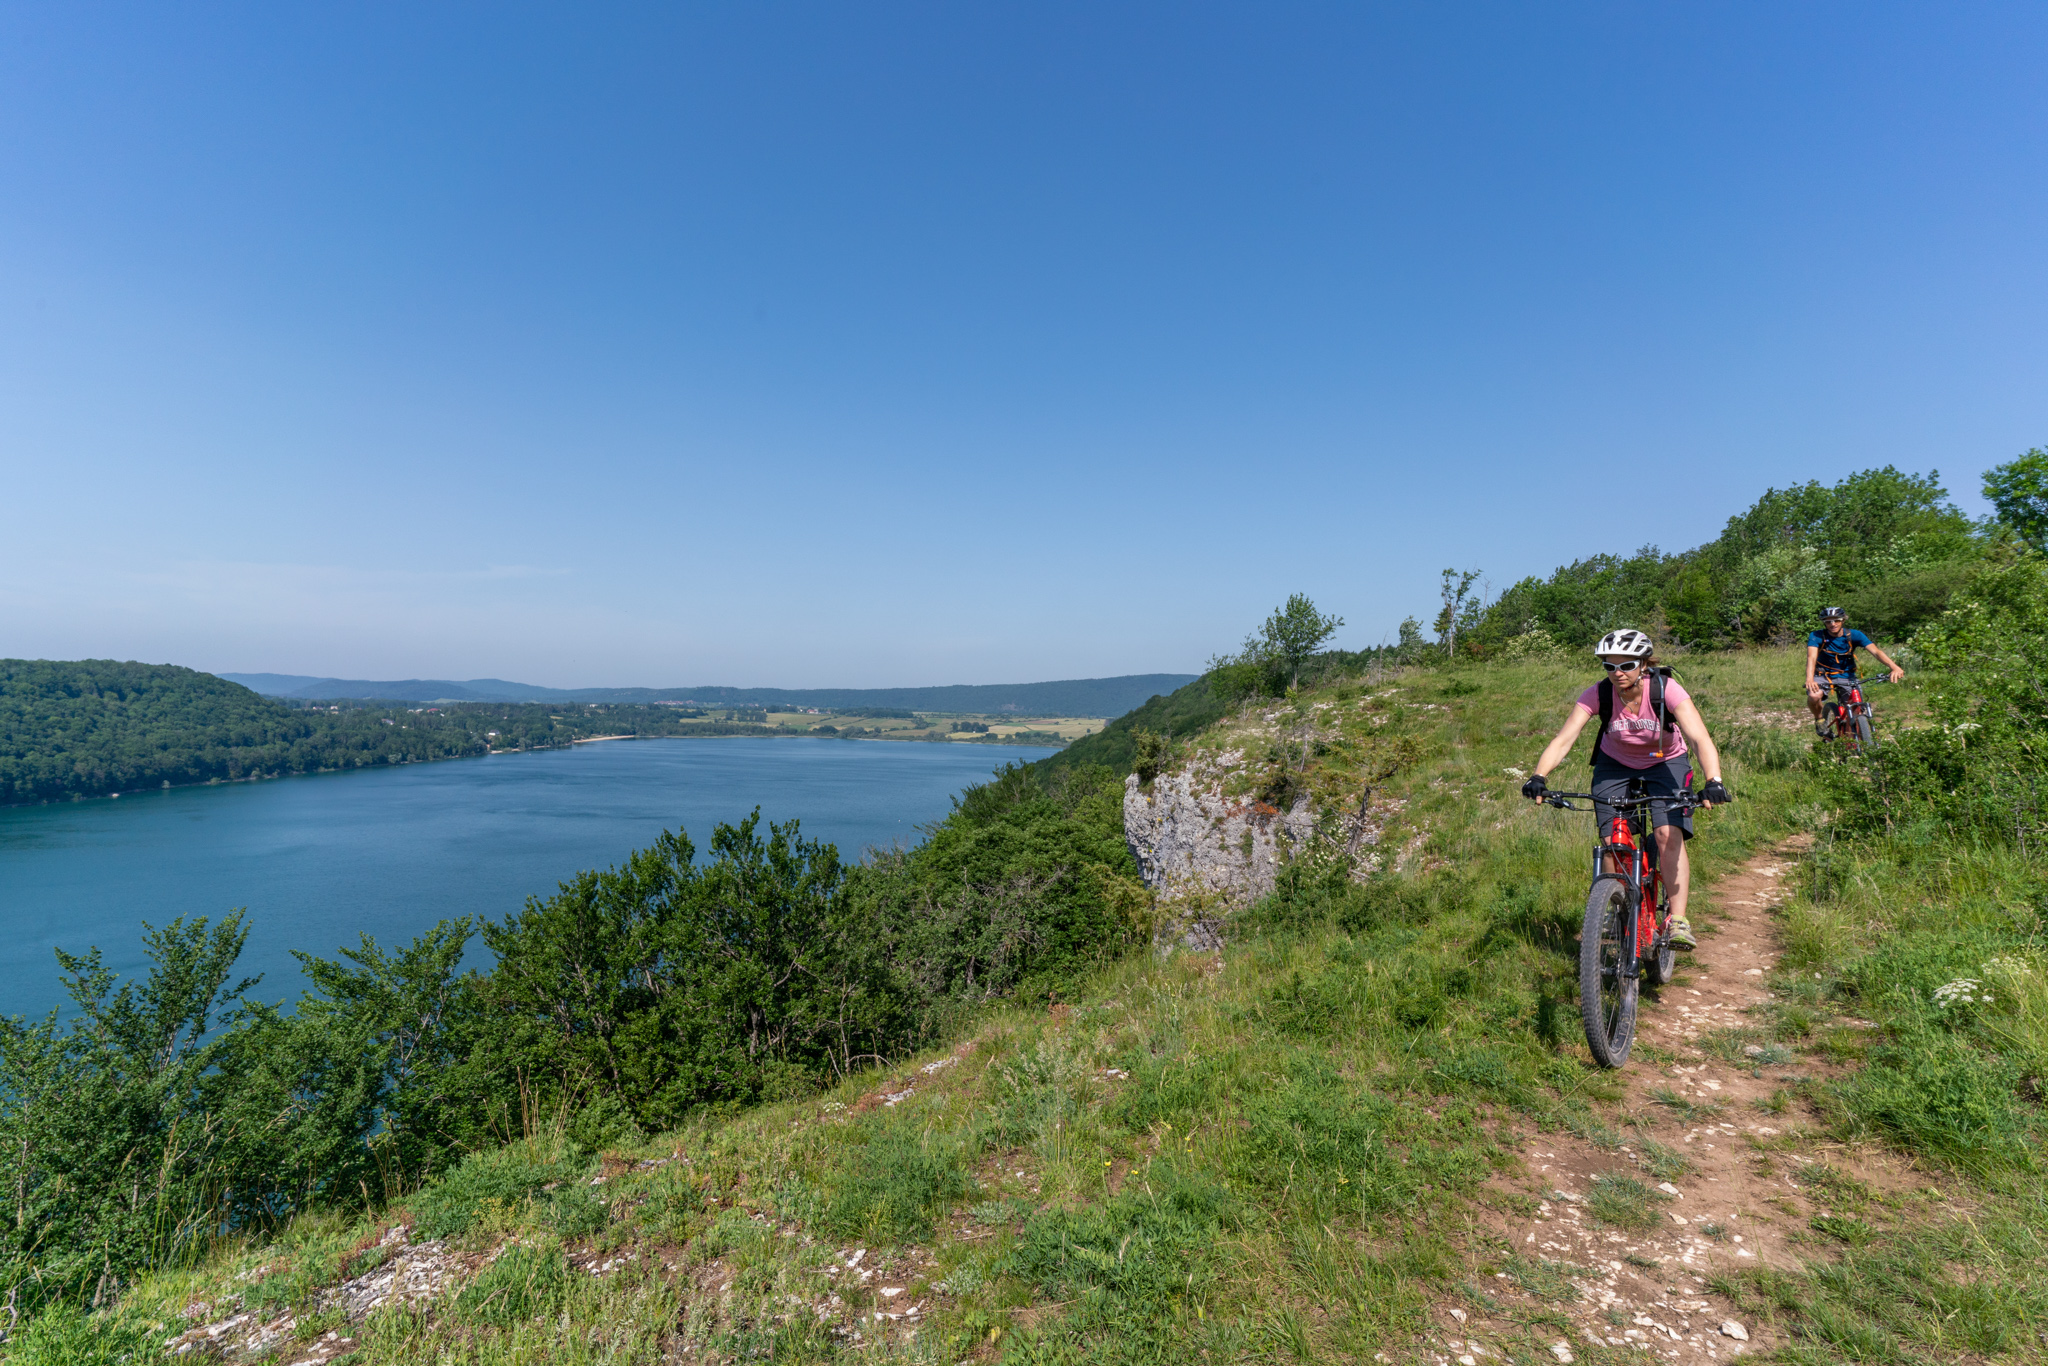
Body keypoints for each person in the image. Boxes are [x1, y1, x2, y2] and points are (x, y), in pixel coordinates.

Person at [1518, 629, 1730, 950]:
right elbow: (1564, 739)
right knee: (1613, 841)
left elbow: (1700, 738)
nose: (1617, 674)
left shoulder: (1666, 689)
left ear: (1643, 664)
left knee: (1666, 835)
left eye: (1626, 665)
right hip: (1614, 764)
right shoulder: (1599, 694)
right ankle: (1613, 905)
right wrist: (1538, 776)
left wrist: (1713, 781)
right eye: (1609, 666)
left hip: (1666, 763)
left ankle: (1679, 920)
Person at [1805, 607, 1903, 737]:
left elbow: (1876, 652)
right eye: (1828, 621)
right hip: (1823, 675)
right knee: (1814, 695)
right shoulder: (1817, 635)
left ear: (1843, 620)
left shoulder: (1854, 635)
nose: (1832, 624)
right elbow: (1811, 657)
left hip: (1847, 675)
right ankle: (1819, 719)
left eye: (1836, 620)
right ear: (1824, 623)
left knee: (1857, 710)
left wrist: (1894, 667)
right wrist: (1810, 679)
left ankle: (1856, 742)